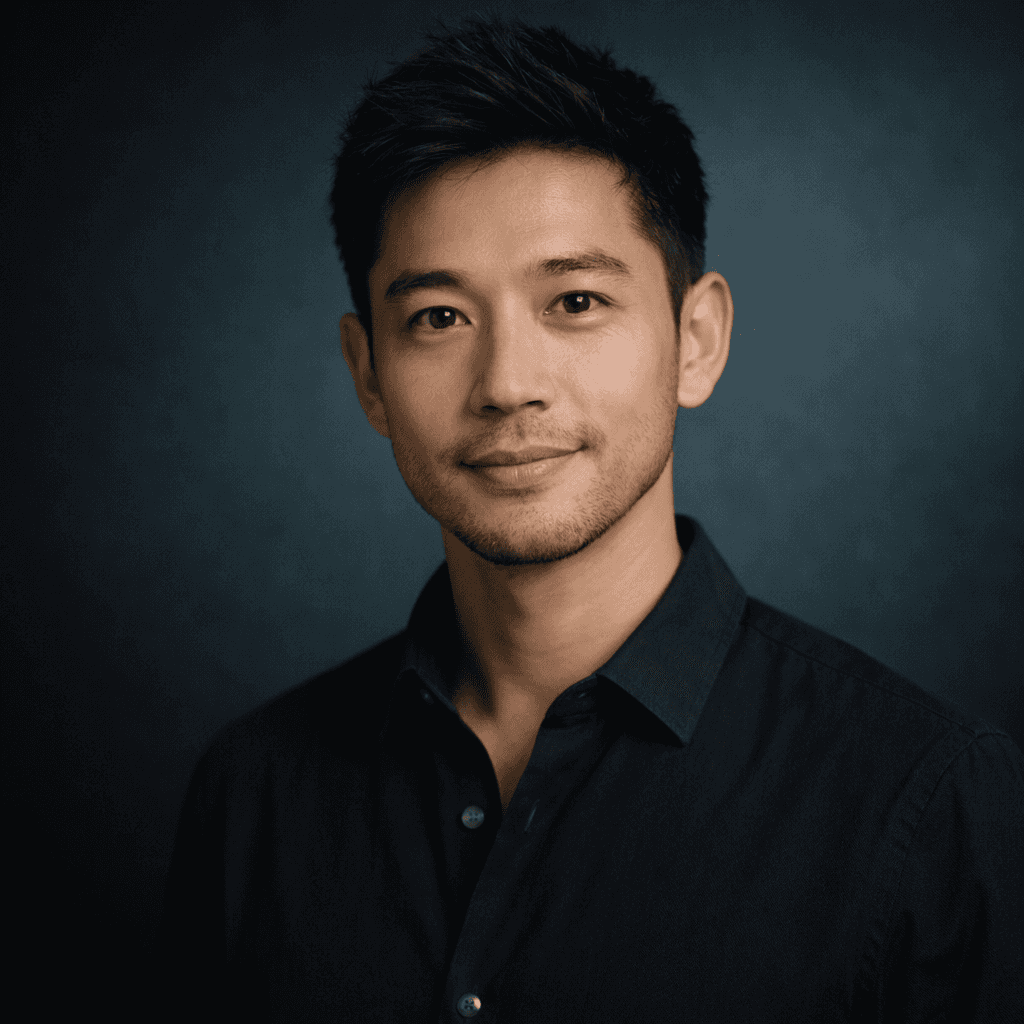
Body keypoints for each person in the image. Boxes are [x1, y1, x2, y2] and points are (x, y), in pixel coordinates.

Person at [158, 17, 1023, 1022]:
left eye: (573, 300)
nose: (508, 385)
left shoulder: (925, 799)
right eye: (438, 317)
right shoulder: (253, 793)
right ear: (369, 376)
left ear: (695, 340)